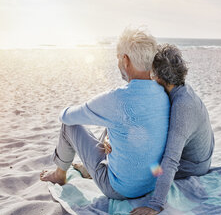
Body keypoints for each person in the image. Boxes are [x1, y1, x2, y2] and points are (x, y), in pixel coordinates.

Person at [40, 28, 170, 200]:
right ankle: (88, 169)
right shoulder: (163, 94)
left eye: (118, 58)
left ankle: (59, 174)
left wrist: (70, 109)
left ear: (125, 60)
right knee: (118, 124)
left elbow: (66, 117)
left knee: (68, 127)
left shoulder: (116, 98)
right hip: (151, 183)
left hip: (121, 189)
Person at [122, 44, 215, 215]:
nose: (150, 77)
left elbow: (172, 158)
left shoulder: (183, 105)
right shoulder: (180, 89)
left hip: (195, 166)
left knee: (143, 160)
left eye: (152, 74)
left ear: (159, 78)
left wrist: (155, 204)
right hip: (201, 154)